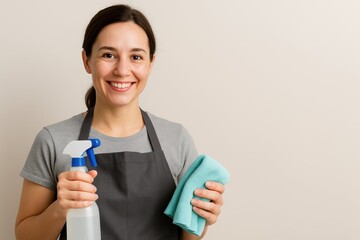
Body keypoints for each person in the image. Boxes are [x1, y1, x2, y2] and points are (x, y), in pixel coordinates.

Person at [15, 4, 225, 240]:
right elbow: (24, 235)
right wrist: (60, 208)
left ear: (150, 63)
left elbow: (188, 237)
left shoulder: (176, 139)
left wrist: (201, 218)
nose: (122, 70)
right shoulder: (53, 140)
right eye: (108, 55)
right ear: (87, 60)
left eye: (136, 57)